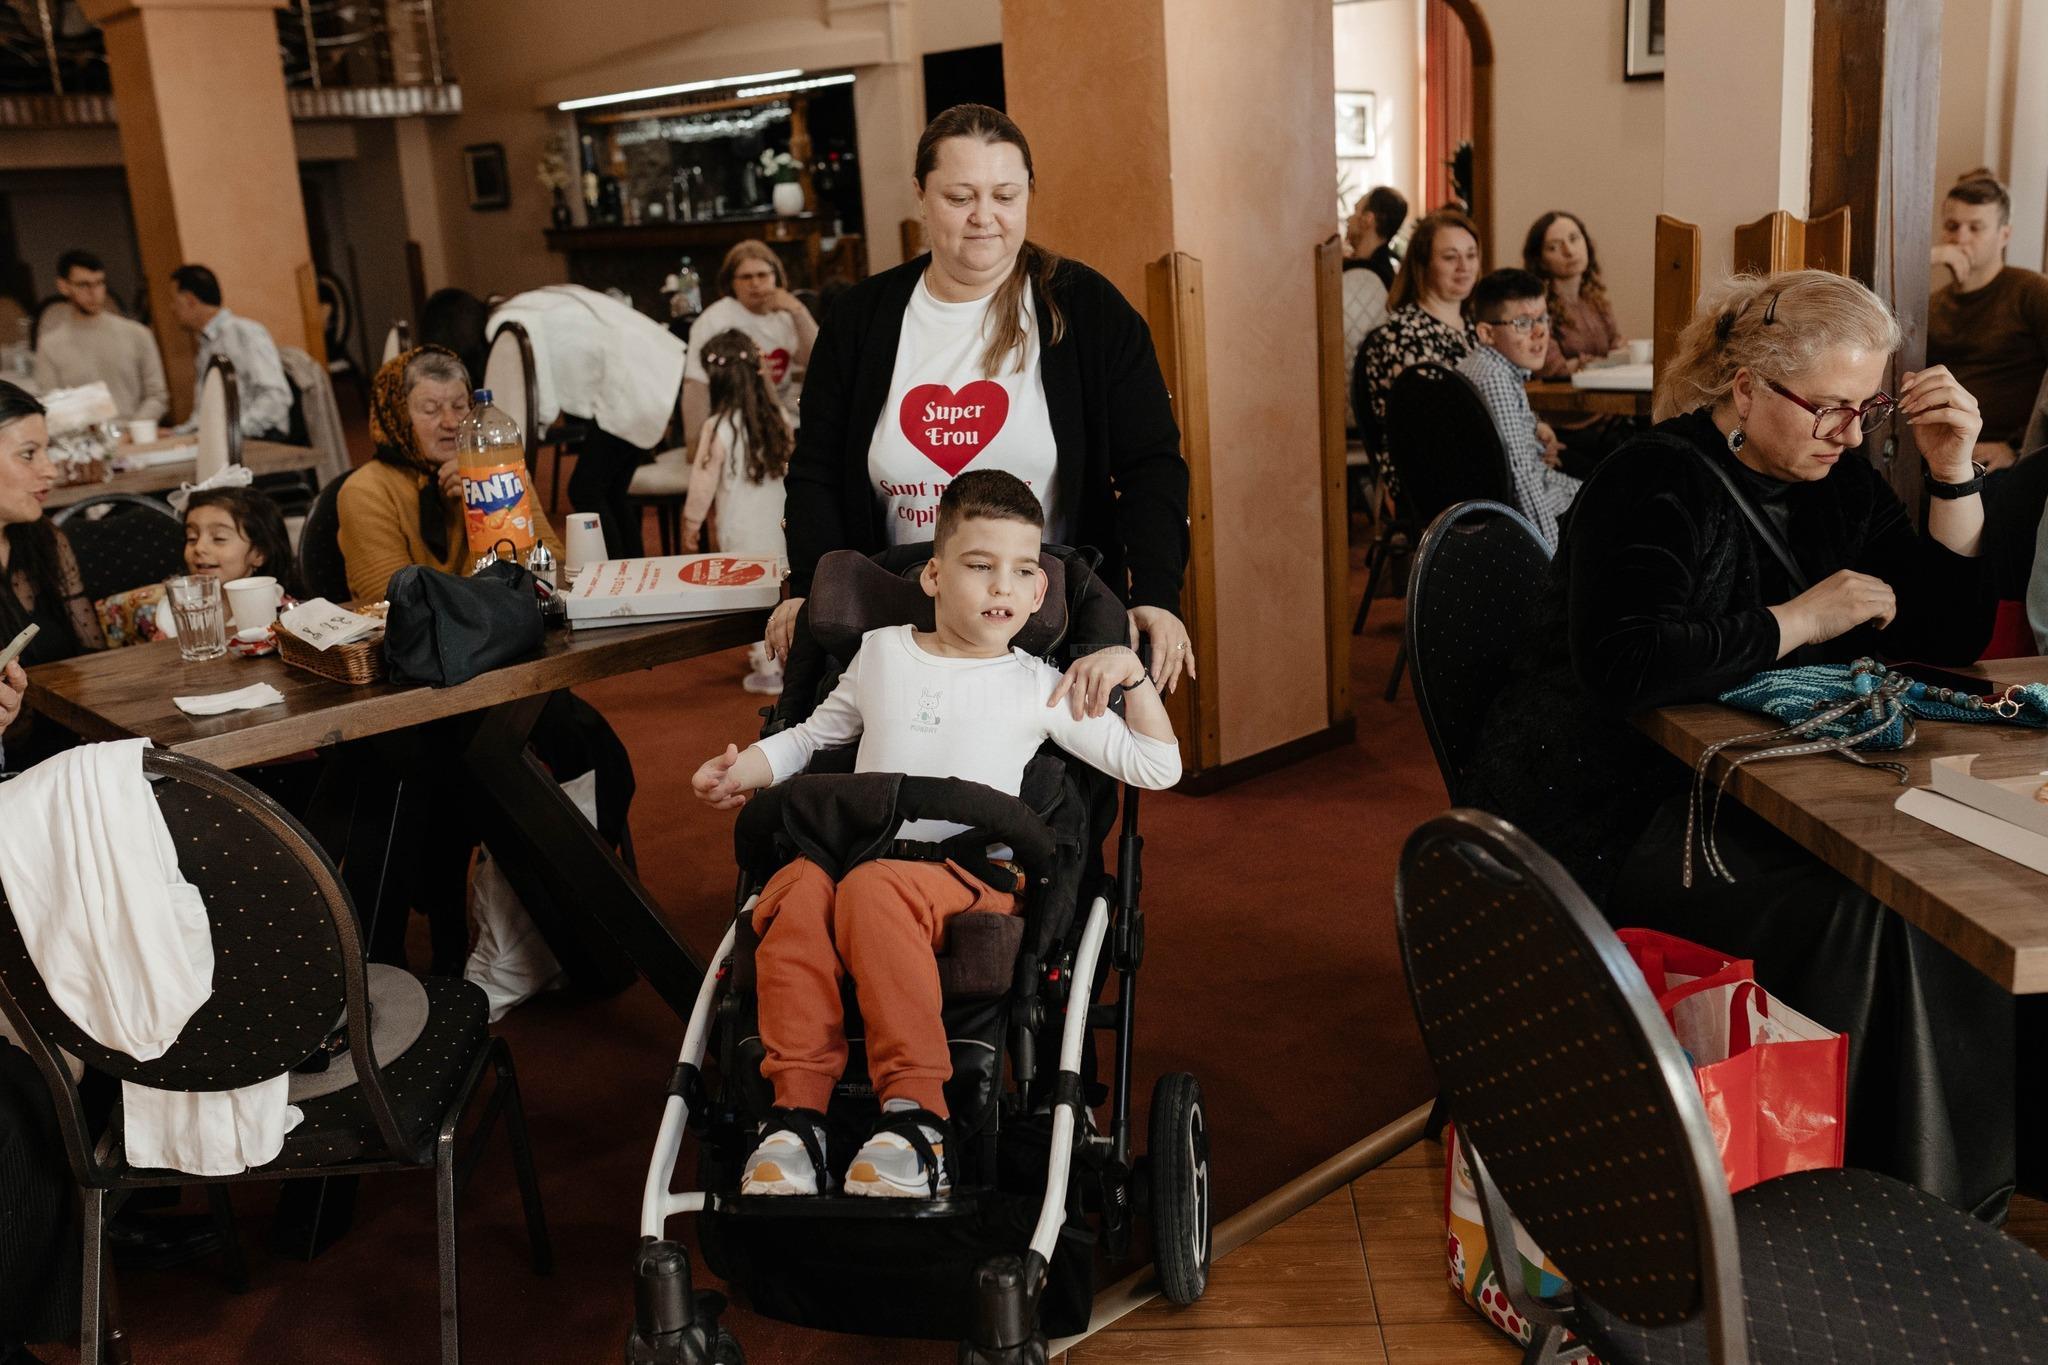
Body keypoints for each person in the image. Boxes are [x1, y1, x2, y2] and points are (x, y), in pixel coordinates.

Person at [1466, 269, 2018, 1217]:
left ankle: (1938, 1189)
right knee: (1864, 906)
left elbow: (1951, 630)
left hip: (1727, 780)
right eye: (1830, 408)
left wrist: (1952, 471)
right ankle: (1863, 1190)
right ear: (1748, 385)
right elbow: (1624, 663)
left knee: (1930, 887)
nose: (1851, 434)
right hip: (1604, 802)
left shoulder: (1836, 482)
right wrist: (1798, 620)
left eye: (1866, 409)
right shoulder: (1652, 476)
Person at [691, 470, 1182, 1199]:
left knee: (870, 888)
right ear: (932, 575)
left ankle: (918, 1116)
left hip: (967, 877)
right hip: (859, 859)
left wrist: (1130, 676)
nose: (1003, 585)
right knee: (793, 889)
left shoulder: (1039, 685)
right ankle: (796, 1120)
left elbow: (1158, 765)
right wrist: (743, 770)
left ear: (1041, 594)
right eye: (980, 565)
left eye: (1024, 570)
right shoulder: (881, 652)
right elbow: (810, 739)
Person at [776, 103, 1194, 701]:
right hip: (894, 623)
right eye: (959, 197)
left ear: (1028, 194)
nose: (984, 217)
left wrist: (1154, 592)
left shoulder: (1088, 309)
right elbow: (815, 470)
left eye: (1005, 196)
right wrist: (810, 587)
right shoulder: (860, 319)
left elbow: (1151, 465)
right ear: (921, 195)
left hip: (1048, 628)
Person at [421, 284, 687, 561]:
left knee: (586, 491)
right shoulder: (516, 308)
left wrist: (527, 437)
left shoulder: (508, 329)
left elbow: (540, 401)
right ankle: (631, 565)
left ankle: (616, 570)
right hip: (649, 365)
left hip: (631, 380)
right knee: (610, 491)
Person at [337, 345, 565, 604]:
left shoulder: (499, 472)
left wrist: (491, 502)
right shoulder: (365, 491)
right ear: (397, 417)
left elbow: (554, 564)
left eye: (459, 406)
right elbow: (396, 601)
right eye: (430, 409)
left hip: (504, 619)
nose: (451, 422)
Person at [0, 381, 104, 773]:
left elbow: (93, 660)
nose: (51, 470)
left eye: (47, 450)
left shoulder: (44, 539)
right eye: (29, 454)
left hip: (78, 758)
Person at [681, 329, 793, 696]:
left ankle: (769, 667)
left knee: (755, 604)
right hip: (777, 526)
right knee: (778, 596)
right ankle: (785, 656)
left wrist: (691, 523)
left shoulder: (717, 427)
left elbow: (702, 483)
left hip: (742, 530)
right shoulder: (777, 416)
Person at [1929, 170, 2048, 468]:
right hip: (1939, 451)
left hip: (2006, 461)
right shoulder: (1932, 304)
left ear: (2004, 235)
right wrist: (1928, 257)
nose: (1960, 238)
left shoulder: (2032, 291)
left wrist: (2016, 448)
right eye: (1952, 226)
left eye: (1975, 228)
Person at [1457, 269, 1579, 548]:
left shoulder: (1489, 367)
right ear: (1487, 333)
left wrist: (1533, 428)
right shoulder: (1494, 379)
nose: (1540, 332)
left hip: (1525, 496)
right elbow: (1521, 478)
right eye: (1523, 323)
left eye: (1543, 318)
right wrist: (1550, 556)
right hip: (1513, 516)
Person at [95, 485, 302, 646]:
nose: (199, 548)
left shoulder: (282, 612)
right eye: (192, 537)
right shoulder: (173, 611)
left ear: (259, 553)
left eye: (219, 538)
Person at [1352, 207, 1482, 462]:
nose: (1464, 267)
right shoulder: (1402, 334)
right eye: (1450, 257)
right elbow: (1429, 430)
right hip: (1430, 469)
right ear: (1423, 264)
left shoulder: (1475, 327)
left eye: (1471, 255)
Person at [681, 241, 817, 438]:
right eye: (746, 277)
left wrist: (799, 312)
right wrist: (695, 442)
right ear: (731, 282)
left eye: (762, 275)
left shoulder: (786, 316)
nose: (755, 283)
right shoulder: (714, 320)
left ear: (776, 277)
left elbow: (818, 362)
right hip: (735, 426)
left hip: (787, 422)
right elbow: (695, 384)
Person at [30, 249, 168, 421]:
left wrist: (135, 428)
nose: (93, 292)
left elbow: (157, 395)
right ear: (64, 286)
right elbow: (51, 404)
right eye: (83, 285)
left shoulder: (137, 334)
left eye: (99, 283)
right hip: (82, 434)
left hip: (134, 429)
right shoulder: (50, 345)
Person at [167, 264, 293, 442]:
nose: (172, 308)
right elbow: (205, 415)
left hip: (258, 438)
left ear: (190, 300)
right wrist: (177, 434)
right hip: (229, 438)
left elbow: (276, 398)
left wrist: (231, 432)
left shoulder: (244, 333)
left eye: (174, 300)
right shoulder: (206, 344)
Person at [1522, 210, 1625, 379]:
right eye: (1554, 247)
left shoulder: (1595, 300)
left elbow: (1618, 348)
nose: (1569, 251)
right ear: (1541, 261)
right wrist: (1605, 362)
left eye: (1574, 239)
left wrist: (1588, 363)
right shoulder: (1536, 308)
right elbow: (1552, 368)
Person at [1346, 186, 1406, 290]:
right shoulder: (1387, 273)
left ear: (1367, 220)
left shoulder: (1363, 275)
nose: (1348, 219)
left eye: (1355, 210)